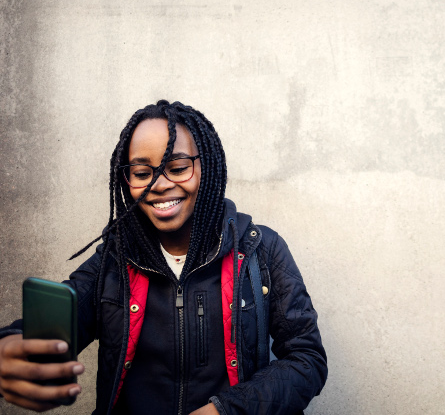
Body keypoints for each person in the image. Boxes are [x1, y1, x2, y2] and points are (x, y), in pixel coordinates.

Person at [0, 100, 327, 414]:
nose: (159, 184)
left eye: (179, 168)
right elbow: (47, 330)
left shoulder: (261, 250)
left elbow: (306, 359)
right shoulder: (114, 260)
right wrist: (9, 347)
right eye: (142, 173)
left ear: (206, 167)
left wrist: (228, 410)